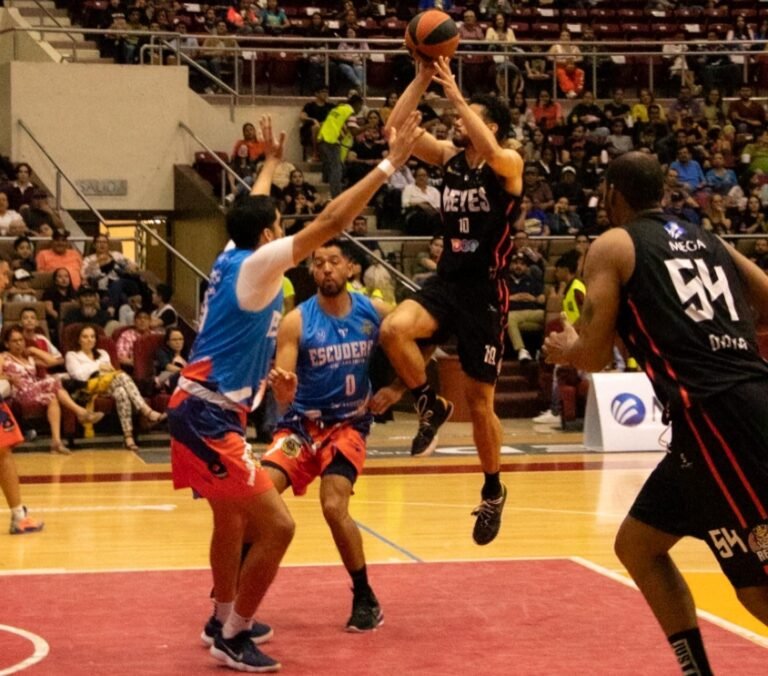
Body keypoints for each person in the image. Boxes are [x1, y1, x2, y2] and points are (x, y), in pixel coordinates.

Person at [166, 113, 422, 672]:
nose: (284, 234)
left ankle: (221, 617)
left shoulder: (229, 255)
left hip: (201, 408)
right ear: (267, 237)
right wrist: (388, 165)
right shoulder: (260, 264)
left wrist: (269, 167)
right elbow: (331, 220)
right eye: (279, 226)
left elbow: (250, 211)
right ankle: (233, 636)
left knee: (231, 522)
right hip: (210, 414)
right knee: (278, 526)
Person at [544, 151, 768, 676]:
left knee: (756, 587)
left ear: (612, 195)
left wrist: (569, 348)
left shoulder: (613, 244)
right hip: (719, 416)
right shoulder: (709, 239)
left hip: (717, 415)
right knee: (638, 546)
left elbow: (595, 357)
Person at [382, 57, 523, 546]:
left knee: (482, 403)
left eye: (467, 118)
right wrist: (423, 77)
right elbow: (394, 128)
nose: (457, 122)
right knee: (393, 330)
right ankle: (429, 403)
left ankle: (492, 490)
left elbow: (493, 149)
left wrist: (461, 98)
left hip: (486, 289)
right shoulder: (449, 159)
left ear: (492, 125)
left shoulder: (510, 163)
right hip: (447, 282)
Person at [264, 239, 392, 633]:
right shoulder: (297, 321)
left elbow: (422, 344)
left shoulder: (377, 313)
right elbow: (283, 386)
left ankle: (364, 595)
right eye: (318, 263)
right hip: (301, 427)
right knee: (258, 497)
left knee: (334, 505)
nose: (326, 270)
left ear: (350, 268)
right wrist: (282, 390)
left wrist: (398, 391)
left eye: (334, 262)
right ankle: (229, 604)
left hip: (348, 425)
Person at [2, 325, 104, 454]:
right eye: (14, 341)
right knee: (53, 381)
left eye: (21, 340)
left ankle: (56, 442)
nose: (19, 344)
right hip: (20, 392)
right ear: (6, 344)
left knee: (53, 399)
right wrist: (9, 378)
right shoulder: (3, 357)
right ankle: (81, 412)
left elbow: (53, 361)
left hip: (36, 390)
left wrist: (34, 349)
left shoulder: (29, 358)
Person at [65, 324, 165, 451]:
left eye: (92, 337)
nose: (89, 340)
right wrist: (98, 367)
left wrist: (98, 368)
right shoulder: (72, 355)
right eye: (85, 337)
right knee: (122, 376)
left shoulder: (102, 353)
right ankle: (146, 411)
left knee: (121, 392)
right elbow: (78, 375)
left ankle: (128, 437)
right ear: (79, 340)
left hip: (108, 385)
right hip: (87, 388)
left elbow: (110, 372)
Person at [506, 252, 544, 363]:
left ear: (527, 267)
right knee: (509, 318)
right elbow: (496, 298)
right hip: (514, 314)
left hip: (533, 313)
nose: (518, 266)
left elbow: (542, 299)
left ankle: (544, 352)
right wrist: (512, 298)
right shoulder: (504, 281)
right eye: (515, 263)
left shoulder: (532, 280)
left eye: (522, 264)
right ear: (510, 265)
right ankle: (522, 350)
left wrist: (534, 298)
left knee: (551, 317)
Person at [154, 326, 187, 392]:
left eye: (180, 339)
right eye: (174, 340)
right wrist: (187, 372)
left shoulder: (187, 353)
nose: (178, 342)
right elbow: (168, 367)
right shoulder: (162, 351)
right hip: (168, 380)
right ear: (168, 342)